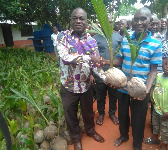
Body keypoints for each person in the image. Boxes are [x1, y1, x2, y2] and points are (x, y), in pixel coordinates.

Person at [112, 7, 162, 150]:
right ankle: (123, 135)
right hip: (123, 87)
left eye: (143, 19)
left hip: (141, 90)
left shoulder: (156, 44)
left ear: (150, 21)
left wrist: (146, 90)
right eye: (136, 19)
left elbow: (153, 70)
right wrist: (104, 61)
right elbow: (119, 61)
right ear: (132, 22)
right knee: (122, 115)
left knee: (138, 119)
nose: (139, 22)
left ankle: (137, 144)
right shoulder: (125, 39)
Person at [57, 8, 105, 150]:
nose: (78, 21)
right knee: (70, 113)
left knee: (88, 111)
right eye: (75, 18)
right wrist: (89, 57)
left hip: (85, 85)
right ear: (71, 20)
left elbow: (95, 65)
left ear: (86, 22)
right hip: (68, 85)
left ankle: (90, 131)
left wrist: (106, 78)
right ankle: (76, 138)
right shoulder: (62, 37)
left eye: (81, 18)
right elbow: (65, 58)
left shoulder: (92, 41)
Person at [144, 54, 168, 150]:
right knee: (155, 125)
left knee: (165, 130)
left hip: (165, 111)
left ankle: (164, 146)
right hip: (156, 107)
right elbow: (153, 85)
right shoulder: (158, 75)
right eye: (166, 63)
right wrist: (151, 94)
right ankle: (154, 138)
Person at [93, 20, 122, 126]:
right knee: (100, 94)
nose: (107, 24)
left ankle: (112, 113)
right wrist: (92, 73)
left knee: (113, 94)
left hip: (114, 72)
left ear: (112, 24)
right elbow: (93, 56)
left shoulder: (118, 37)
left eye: (110, 22)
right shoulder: (95, 38)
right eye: (105, 21)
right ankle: (101, 114)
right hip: (100, 72)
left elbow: (121, 56)